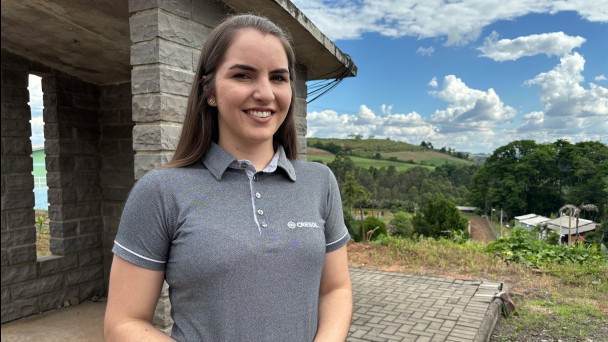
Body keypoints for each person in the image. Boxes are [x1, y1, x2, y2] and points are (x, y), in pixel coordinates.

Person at [104, 14, 352, 341]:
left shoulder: (320, 183)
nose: (265, 93)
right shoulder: (160, 191)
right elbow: (123, 323)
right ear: (210, 91)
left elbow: (335, 289)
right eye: (243, 75)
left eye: (278, 78)